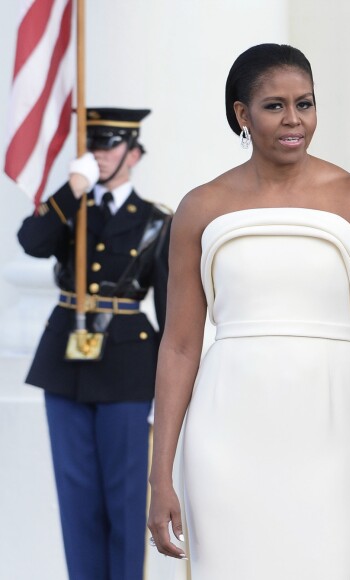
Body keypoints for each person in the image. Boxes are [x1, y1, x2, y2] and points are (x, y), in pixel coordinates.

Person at [147, 43, 350, 580]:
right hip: (225, 435)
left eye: (306, 103)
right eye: (275, 106)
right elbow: (179, 346)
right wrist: (161, 475)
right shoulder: (201, 207)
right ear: (242, 115)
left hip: (340, 432)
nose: (295, 120)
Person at [18, 107, 171, 580]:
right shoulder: (71, 208)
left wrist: (168, 395)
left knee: (125, 500)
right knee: (76, 498)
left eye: (109, 145)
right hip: (65, 363)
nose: (100, 155)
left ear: (135, 153)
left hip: (127, 369)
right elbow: (31, 241)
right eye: (94, 146)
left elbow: (169, 314)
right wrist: (72, 189)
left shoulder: (156, 222)